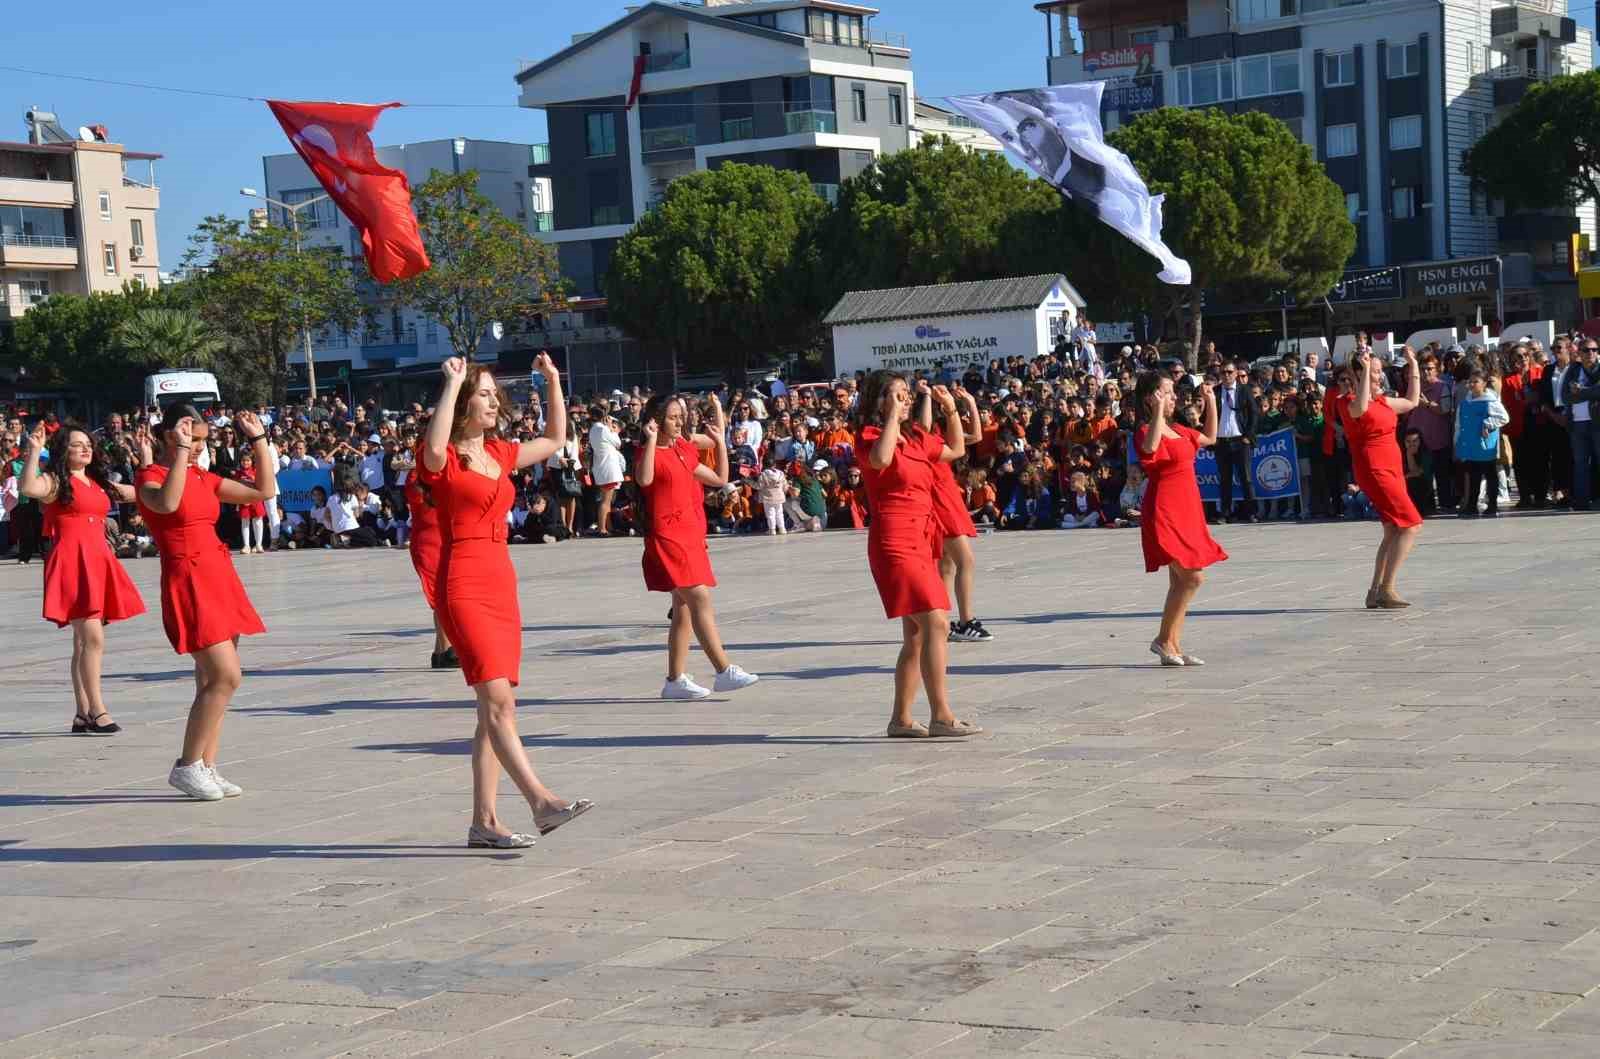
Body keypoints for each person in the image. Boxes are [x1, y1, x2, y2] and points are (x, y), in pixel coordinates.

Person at [420, 355, 592, 849]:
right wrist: (452, 384)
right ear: (464, 403)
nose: (495, 400)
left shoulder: (500, 451)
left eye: (496, 393)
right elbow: (434, 448)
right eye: (485, 393)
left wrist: (555, 380)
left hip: (500, 579)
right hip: (463, 582)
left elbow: (557, 439)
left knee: (491, 711)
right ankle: (542, 802)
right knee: (499, 702)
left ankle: (484, 822)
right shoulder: (445, 456)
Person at [136, 405, 277, 801]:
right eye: (191, 438)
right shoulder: (151, 475)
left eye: (200, 440)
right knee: (225, 676)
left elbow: (263, 491)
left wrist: (259, 441)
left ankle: (206, 765)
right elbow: (166, 503)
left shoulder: (204, 475)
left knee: (210, 679)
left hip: (218, 573)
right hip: (188, 577)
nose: (198, 446)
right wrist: (181, 453)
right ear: (168, 436)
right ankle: (186, 766)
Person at [856, 371, 982, 740]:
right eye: (896, 395)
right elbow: (880, 461)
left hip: (922, 538)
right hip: (894, 541)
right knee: (937, 623)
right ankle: (942, 715)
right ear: (879, 401)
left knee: (915, 635)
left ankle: (901, 719)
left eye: (906, 395)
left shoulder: (915, 437)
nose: (906, 399)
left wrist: (951, 411)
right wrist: (892, 418)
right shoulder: (868, 437)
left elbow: (955, 450)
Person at [20, 420, 148, 735]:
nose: (86, 448)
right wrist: (34, 452)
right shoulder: (54, 482)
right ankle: (98, 710)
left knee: (82, 643)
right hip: (72, 563)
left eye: (88, 443)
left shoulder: (97, 482)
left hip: (98, 561)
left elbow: (141, 494)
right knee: (93, 639)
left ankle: (81, 714)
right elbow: (28, 488)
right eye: (77, 444)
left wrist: (146, 459)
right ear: (64, 450)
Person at [637, 391, 760, 700]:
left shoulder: (682, 448)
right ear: (657, 420)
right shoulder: (648, 451)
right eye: (673, 418)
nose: (679, 423)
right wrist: (651, 440)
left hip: (691, 532)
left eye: (682, 417)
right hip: (667, 535)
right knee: (699, 597)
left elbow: (719, 477)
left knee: (684, 609)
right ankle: (723, 669)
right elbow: (645, 478)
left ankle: (675, 680)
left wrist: (719, 443)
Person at [1135, 371, 1226, 667]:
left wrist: (1211, 402)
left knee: (1180, 581)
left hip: (1187, 509)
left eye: (1173, 393)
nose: (1175, 397)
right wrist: (1158, 411)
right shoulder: (1147, 430)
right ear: (1151, 398)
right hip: (1164, 511)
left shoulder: (1182, 431)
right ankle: (1163, 640)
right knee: (1192, 576)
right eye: (1167, 392)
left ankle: (1171, 643)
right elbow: (1149, 449)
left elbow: (1211, 438)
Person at [1339, 347, 1424, 608]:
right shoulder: (1347, 401)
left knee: (1391, 530)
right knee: (1411, 524)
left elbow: (1412, 402)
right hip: (1374, 469)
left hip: (1392, 468)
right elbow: (1360, 409)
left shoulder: (1383, 401)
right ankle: (1387, 588)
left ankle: (1375, 591)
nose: (1378, 376)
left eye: (1378, 371)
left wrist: (1413, 366)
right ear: (1358, 373)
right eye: (1374, 371)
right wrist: (1364, 372)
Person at [916, 383, 991, 644]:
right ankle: (965, 621)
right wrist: (926, 396)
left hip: (949, 497)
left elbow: (975, 436)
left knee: (947, 564)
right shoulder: (921, 435)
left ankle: (944, 623)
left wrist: (969, 401)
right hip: (939, 500)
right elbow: (924, 426)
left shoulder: (941, 433)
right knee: (965, 561)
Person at [404, 445, 457, 670]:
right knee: (440, 597)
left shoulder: (446, 471)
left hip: (446, 538)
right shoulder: (415, 476)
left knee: (444, 597)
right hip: (428, 543)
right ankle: (445, 650)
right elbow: (422, 499)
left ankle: (441, 651)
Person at [1454, 371, 1510, 518]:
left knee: (1490, 476)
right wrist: (1457, 442)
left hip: (1485, 447)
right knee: (1473, 477)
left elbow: (1504, 418)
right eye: (1470, 382)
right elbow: (1458, 425)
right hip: (1470, 446)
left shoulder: (1490, 401)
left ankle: (1492, 505)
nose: (1472, 385)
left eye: (1476, 382)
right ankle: (1472, 505)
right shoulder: (1465, 403)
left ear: (1484, 383)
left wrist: (1488, 423)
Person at [1212, 361, 1258, 523]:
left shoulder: (1245, 390)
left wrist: (1248, 436)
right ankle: (1225, 513)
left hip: (1240, 440)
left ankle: (1251, 512)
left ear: (1236, 373)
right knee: (1224, 479)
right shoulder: (1215, 391)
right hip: (1221, 441)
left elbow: (1254, 414)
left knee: (1246, 478)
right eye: (1223, 372)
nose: (1226, 375)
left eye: (1230, 372)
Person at [587, 404, 625, 536]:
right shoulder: (603, 429)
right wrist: (611, 429)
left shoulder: (593, 429)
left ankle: (607, 526)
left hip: (601, 467)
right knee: (606, 500)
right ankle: (602, 528)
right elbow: (617, 442)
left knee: (605, 499)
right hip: (608, 468)